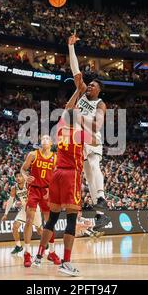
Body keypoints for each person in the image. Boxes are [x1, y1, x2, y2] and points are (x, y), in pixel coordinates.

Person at [32, 83, 90, 276]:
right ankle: (66, 262)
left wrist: (78, 91)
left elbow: (67, 108)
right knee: (71, 219)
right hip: (70, 175)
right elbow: (97, 141)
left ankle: (39, 256)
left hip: (56, 175)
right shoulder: (81, 133)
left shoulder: (59, 131)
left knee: (53, 218)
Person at [68, 34, 111, 231]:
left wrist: (79, 117)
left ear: (98, 90)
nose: (89, 86)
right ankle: (101, 216)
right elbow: (75, 70)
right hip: (78, 140)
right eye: (90, 84)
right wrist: (71, 47)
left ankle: (101, 197)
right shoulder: (82, 92)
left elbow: (98, 125)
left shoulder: (100, 104)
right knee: (88, 176)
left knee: (94, 166)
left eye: (93, 85)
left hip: (91, 137)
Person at [20, 135, 61, 267]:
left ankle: (52, 252)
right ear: (40, 142)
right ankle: (27, 253)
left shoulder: (55, 157)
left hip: (47, 191)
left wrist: (53, 189)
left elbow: (57, 176)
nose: (44, 140)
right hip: (34, 190)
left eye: (47, 138)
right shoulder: (33, 154)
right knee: (29, 220)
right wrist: (25, 177)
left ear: (51, 143)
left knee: (50, 222)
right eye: (42, 139)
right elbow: (23, 169)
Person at [1, 173, 43, 255]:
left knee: (39, 230)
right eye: (16, 177)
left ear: (24, 177)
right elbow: (10, 201)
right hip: (24, 208)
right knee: (15, 226)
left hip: (34, 207)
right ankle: (18, 246)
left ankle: (45, 242)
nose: (18, 178)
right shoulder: (14, 188)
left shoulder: (29, 185)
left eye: (20, 176)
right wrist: (6, 214)